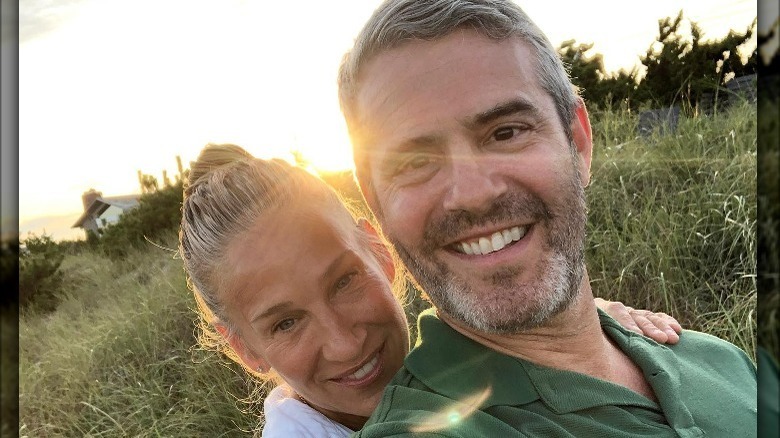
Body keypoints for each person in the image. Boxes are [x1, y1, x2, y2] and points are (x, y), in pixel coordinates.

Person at [336, 0, 758, 436]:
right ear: (376, 203)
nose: (474, 195)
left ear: (577, 141)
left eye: (506, 132)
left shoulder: (724, 362)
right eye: (413, 162)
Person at [178, 143, 683, 437]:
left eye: (345, 280)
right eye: (286, 323)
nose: (345, 343)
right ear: (244, 348)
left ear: (380, 253)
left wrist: (580, 332)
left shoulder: (448, 363)